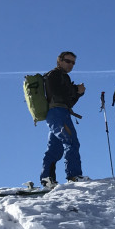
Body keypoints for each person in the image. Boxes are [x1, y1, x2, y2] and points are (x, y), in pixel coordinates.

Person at [40, 51, 87, 189]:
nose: (71, 64)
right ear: (59, 61)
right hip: (58, 114)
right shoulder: (54, 75)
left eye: (73, 62)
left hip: (57, 113)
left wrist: (78, 94)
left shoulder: (62, 77)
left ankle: (47, 180)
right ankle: (74, 176)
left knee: (54, 148)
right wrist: (75, 89)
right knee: (71, 142)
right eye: (68, 61)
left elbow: (68, 101)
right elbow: (58, 92)